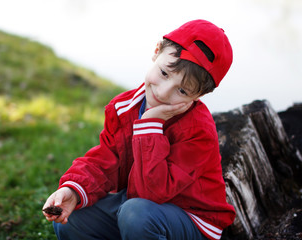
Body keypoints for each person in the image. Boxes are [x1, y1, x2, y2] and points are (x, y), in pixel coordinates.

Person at [43, 19, 236, 240]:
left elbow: (154, 193)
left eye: (182, 90)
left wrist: (150, 125)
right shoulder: (124, 108)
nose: (163, 93)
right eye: (164, 73)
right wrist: (74, 190)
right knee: (73, 219)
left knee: (136, 214)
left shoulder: (198, 130)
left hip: (190, 219)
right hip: (135, 205)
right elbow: (107, 160)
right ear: (156, 51)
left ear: (198, 96)